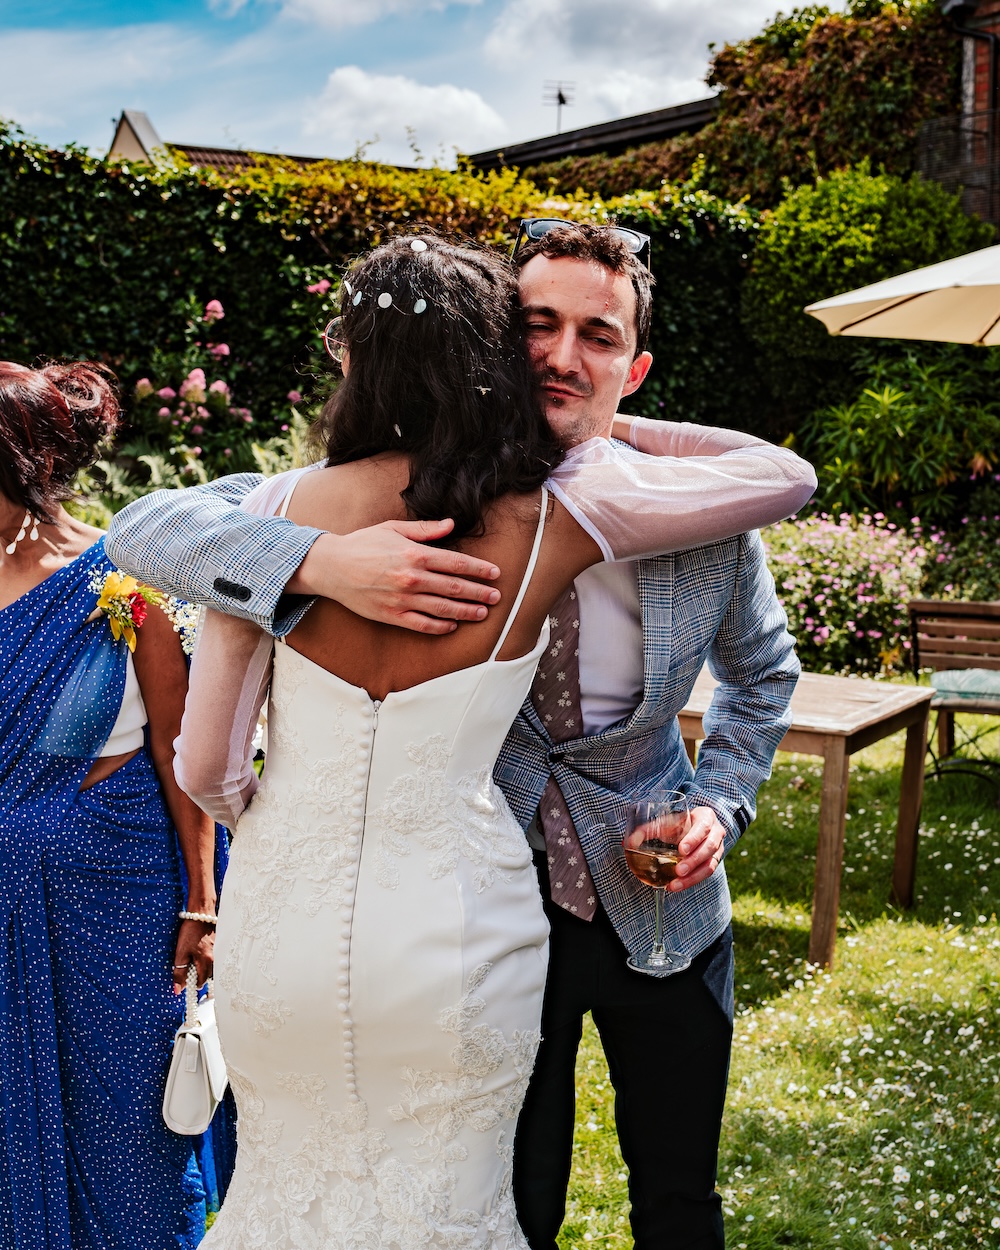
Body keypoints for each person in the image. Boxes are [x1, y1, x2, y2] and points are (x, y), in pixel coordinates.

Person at [107, 229, 814, 1248]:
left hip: (662, 905)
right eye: (536, 325)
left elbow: (763, 670)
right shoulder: (359, 503)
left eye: (596, 335)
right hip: (488, 900)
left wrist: (716, 804)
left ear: (636, 364)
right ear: (488, 341)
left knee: (678, 1194)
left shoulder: (691, 520)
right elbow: (144, 530)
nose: (560, 355)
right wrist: (317, 561)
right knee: (511, 1190)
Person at [0, 360, 236, 1249]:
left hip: (125, 898)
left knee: (132, 1125)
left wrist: (203, 901)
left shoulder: (124, 578)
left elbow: (186, 753)